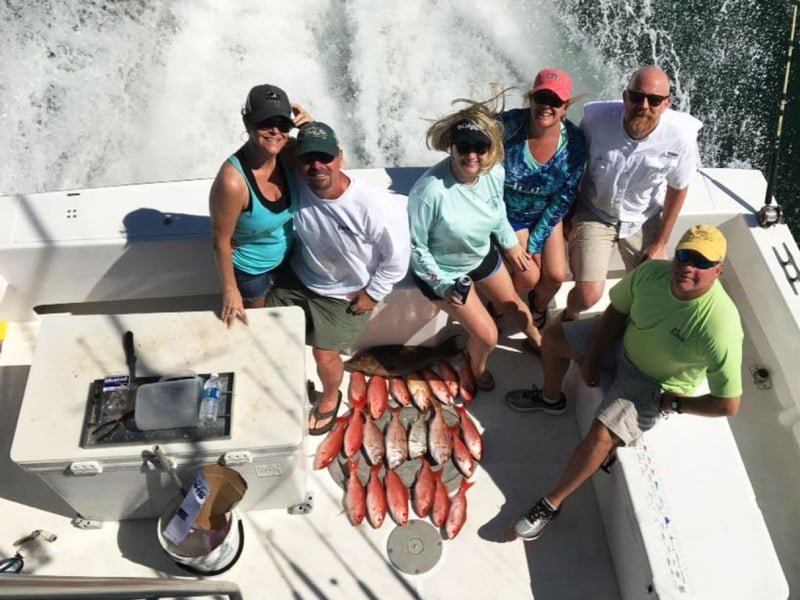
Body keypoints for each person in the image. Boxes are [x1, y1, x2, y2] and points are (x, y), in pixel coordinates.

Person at [504, 224, 743, 541]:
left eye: (701, 262)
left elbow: (728, 404)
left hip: (653, 382)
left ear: (718, 270)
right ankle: (551, 398)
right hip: (624, 341)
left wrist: (673, 403)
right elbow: (617, 311)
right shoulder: (653, 274)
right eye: (684, 255)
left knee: (602, 434)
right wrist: (592, 356)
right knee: (552, 338)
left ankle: (551, 504)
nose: (688, 266)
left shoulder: (720, 326)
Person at [266, 122, 411, 435]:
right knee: (263, 327)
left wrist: (373, 294)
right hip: (300, 276)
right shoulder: (297, 178)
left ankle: (330, 397)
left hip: (345, 293)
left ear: (340, 158)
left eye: (325, 157)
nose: (317, 166)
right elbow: (273, 147)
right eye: (308, 159)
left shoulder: (374, 206)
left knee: (324, 354)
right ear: (298, 162)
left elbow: (397, 260)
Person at [407, 100, 540, 390]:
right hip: (445, 272)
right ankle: (476, 367)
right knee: (488, 337)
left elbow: (496, 212)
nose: (472, 154)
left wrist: (509, 244)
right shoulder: (429, 192)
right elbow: (417, 249)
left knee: (516, 308)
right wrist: (443, 286)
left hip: (481, 255)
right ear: (450, 147)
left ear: (490, 149)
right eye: (463, 146)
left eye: (480, 147)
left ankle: (537, 339)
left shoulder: (494, 173)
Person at [563, 66, 702, 322]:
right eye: (637, 97)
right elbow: (573, 165)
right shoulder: (596, 119)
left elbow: (678, 188)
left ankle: (625, 332)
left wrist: (660, 243)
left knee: (651, 292)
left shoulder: (681, 137)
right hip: (595, 213)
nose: (644, 105)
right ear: (625, 97)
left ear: (666, 104)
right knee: (587, 296)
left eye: (655, 100)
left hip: (642, 218)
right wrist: (567, 214)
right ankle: (568, 317)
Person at [209, 84, 312, 328]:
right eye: (266, 123)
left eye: (283, 123)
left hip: (288, 256)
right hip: (251, 271)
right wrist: (230, 290)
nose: (276, 131)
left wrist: (310, 129)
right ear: (248, 123)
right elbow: (220, 240)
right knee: (260, 326)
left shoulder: (288, 152)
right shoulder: (233, 181)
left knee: (286, 319)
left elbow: (336, 167)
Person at [500, 69, 586, 343]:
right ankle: (499, 302)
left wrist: (535, 243)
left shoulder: (575, 143)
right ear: (531, 98)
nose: (547, 106)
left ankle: (537, 307)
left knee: (556, 276)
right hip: (508, 214)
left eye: (555, 101)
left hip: (546, 215)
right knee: (528, 275)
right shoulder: (508, 126)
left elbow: (565, 196)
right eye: (542, 97)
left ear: (565, 108)